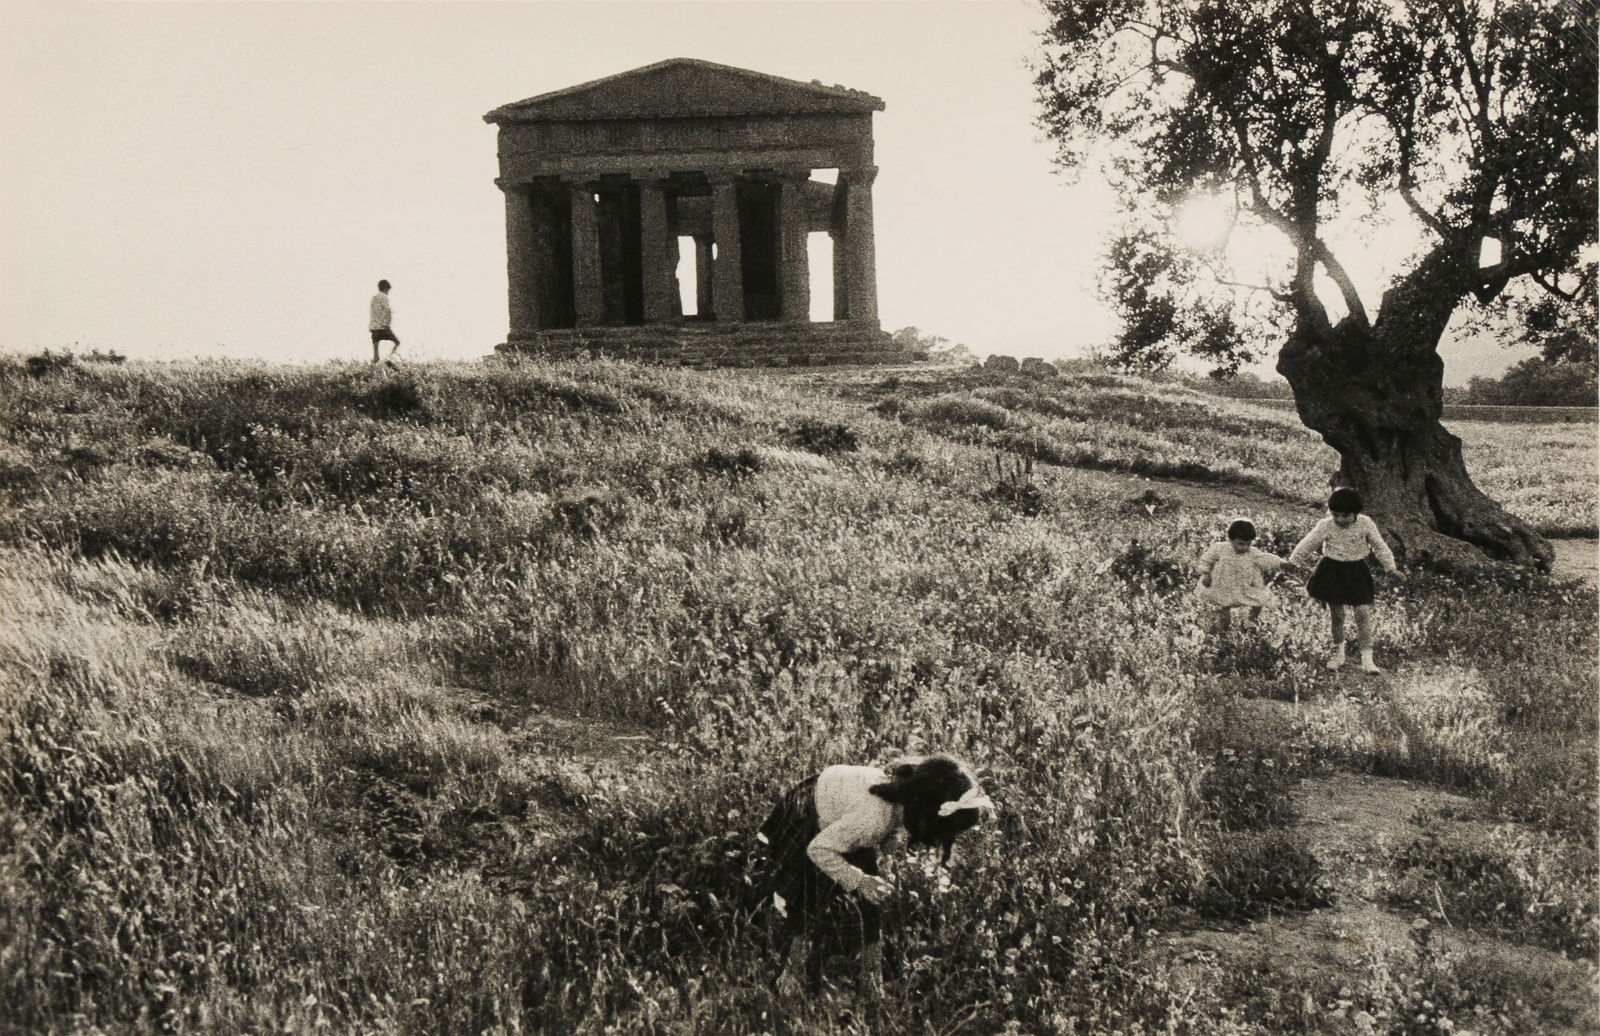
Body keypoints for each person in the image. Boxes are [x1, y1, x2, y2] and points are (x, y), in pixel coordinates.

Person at [755, 754, 994, 999]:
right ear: (926, 815)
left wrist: (882, 859)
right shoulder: (873, 819)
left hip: (842, 812)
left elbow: (885, 829)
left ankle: (872, 983)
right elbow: (818, 849)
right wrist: (859, 879)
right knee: (811, 900)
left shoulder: (898, 805)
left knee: (871, 904)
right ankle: (790, 978)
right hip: (812, 813)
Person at [1286, 487, 1402, 673]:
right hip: (1332, 571)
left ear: (1356, 513)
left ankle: (1367, 659)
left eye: (1346, 516)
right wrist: (1293, 561)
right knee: (1337, 615)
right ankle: (1338, 654)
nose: (1340, 520)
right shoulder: (1326, 525)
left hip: (1356, 571)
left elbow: (1380, 546)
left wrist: (1390, 568)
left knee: (1363, 613)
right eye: (1336, 515)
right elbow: (1309, 543)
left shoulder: (1366, 523)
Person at [1195, 517, 1283, 632]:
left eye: (1248, 544)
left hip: (1244, 586)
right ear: (1230, 539)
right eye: (1240, 544)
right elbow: (1206, 560)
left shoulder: (1253, 553)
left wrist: (1283, 563)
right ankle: (1223, 629)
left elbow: (1267, 559)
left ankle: (1250, 621)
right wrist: (1206, 574)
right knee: (1224, 607)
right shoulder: (1220, 548)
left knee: (1259, 600)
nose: (1244, 548)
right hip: (1222, 585)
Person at [369, 279, 400, 364]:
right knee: (397, 342)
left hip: (374, 329)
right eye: (388, 290)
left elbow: (373, 312)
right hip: (382, 328)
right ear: (386, 289)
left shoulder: (374, 298)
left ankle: (371, 372)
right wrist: (387, 324)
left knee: (375, 356)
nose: (388, 292)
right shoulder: (384, 297)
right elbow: (387, 311)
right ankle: (388, 359)